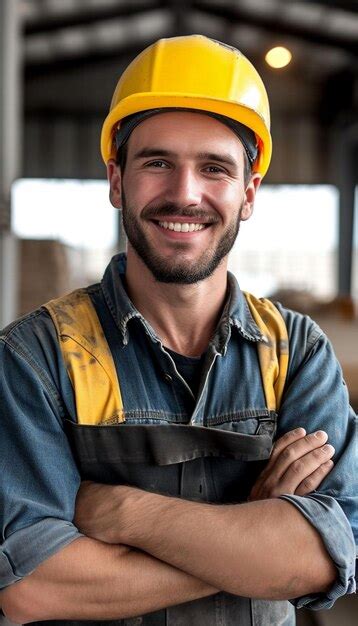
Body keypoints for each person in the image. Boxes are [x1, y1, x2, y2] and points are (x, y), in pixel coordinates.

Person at [0, 35, 356, 626]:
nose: (184, 194)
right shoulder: (37, 358)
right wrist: (250, 536)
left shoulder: (298, 352)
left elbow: (324, 557)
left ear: (248, 193)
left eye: (214, 168)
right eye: (157, 162)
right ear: (117, 181)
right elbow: (33, 587)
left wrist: (125, 514)